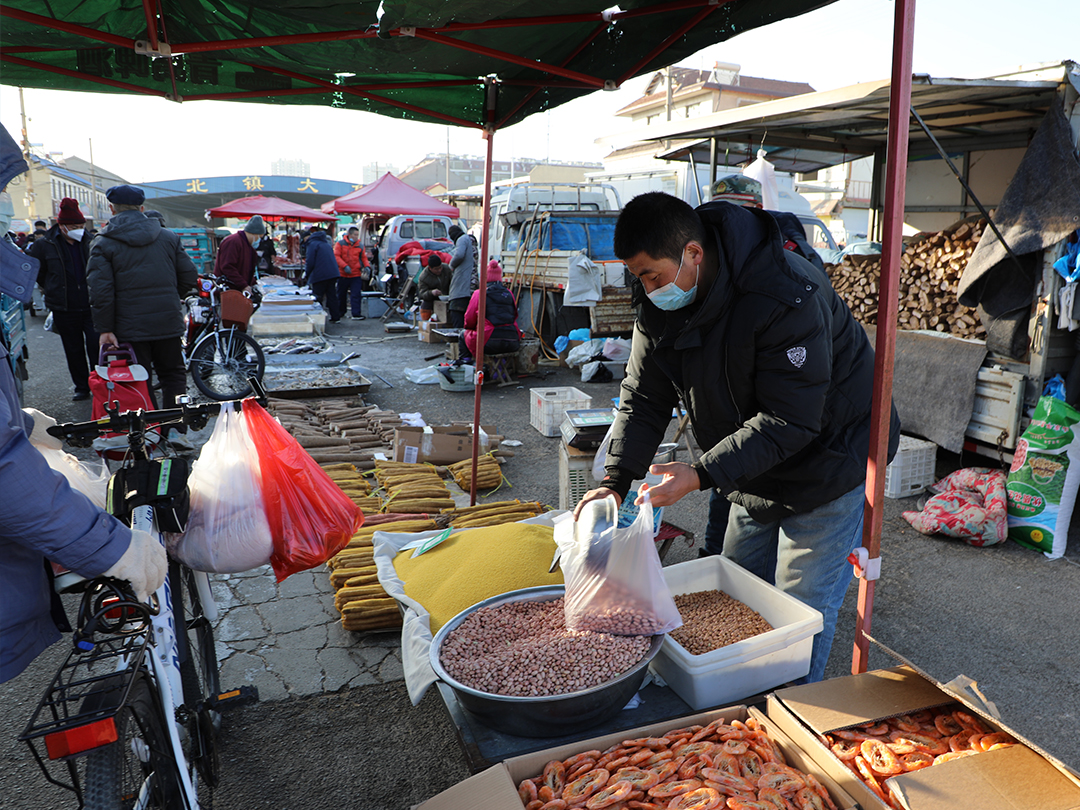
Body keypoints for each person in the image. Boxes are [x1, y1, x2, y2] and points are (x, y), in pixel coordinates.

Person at [573, 191, 899, 684]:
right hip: (751, 462)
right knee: (734, 588)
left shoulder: (785, 292)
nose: (648, 287)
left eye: (653, 276)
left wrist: (701, 473)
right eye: (638, 276)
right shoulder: (659, 302)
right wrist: (616, 480)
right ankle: (733, 698)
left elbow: (792, 419)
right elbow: (643, 396)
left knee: (799, 606)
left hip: (832, 454)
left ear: (693, 253)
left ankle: (788, 717)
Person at [0, 123, 166, 683]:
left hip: (117, 332)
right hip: (155, 332)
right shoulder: (161, 238)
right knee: (158, 388)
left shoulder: (103, 246)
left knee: (122, 385)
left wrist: (21, 422)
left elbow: (100, 293)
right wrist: (109, 548)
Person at [86, 184, 198, 413]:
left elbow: (100, 290)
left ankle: (150, 432)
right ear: (142, 207)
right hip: (167, 319)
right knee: (173, 374)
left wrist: (105, 328)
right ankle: (176, 429)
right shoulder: (168, 237)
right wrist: (171, 297)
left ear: (112, 209)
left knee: (138, 377)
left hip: (129, 325)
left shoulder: (103, 242)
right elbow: (189, 275)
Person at [26, 198, 99, 401]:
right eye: (74, 226)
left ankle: (99, 383)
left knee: (95, 345)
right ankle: (82, 387)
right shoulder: (45, 245)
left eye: (81, 226)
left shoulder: (90, 241)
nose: (79, 230)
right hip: (64, 306)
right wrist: (51, 287)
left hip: (91, 304)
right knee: (73, 348)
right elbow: (39, 272)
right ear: (62, 226)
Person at [457, 259, 521, 362]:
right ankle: (500, 369)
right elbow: (514, 315)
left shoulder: (479, 294)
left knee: (463, 335)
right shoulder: (509, 293)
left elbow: (469, 320)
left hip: (489, 341)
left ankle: (467, 365)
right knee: (499, 344)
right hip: (512, 341)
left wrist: (471, 328)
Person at [214, 215, 264, 294]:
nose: (259, 240)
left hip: (238, 290)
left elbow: (248, 271)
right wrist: (243, 285)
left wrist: (254, 284)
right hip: (228, 290)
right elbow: (227, 267)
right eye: (259, 237)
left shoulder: (249, 247)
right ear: (254, 234)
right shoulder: (233, 242)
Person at [303, 225, 341, 323]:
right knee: (332, 295)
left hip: (320, 274)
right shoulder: (325, 243)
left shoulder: (312, 244)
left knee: (317, 297)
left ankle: (318, 318)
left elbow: (310, 261)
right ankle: (335, 317)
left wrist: (307, 274)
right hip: (332, 273)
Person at [334, 225, 370, 320]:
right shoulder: (340, 244)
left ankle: (356, 314)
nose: (356, 237)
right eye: (355, 234)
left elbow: (363, 258)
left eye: (357, 235)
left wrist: (367, 266)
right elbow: (336, 257)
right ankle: (341, 312)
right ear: (349, 235)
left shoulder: (360, 245)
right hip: (343, 274)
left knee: (356, 295)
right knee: (341, 295)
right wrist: (344, 266)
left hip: (355, 274)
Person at [446, 224, 475, 328]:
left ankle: (458, 340)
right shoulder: (471, 240)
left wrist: (451, 265)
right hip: (473, 284)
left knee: (457, 311)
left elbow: (459, 255)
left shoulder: (461, 239)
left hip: (462, 287)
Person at [416, 254, 447, 320]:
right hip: (432, 298)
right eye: (436, 269)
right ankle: (426, 324)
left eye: (440, 267)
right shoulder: (424, 277)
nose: (439, 270)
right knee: (425, 305)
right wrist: (431, 293)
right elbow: (421, 294)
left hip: (447, 295)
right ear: (430, 268)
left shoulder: (446, 269)